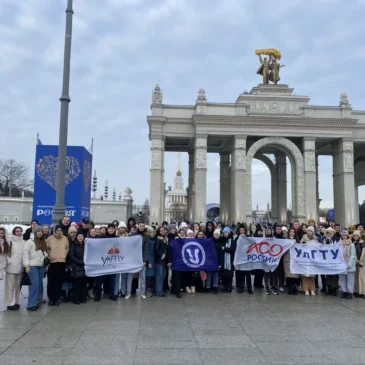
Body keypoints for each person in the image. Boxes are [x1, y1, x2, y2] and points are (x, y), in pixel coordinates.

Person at [23, 226, 49, 311]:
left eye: (41, 232)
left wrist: (46, 265)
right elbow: (25, 254)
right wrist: (26, 266)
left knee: (39, 283)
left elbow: (46, 254)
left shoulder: (44, 241)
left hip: (41, 265)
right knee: (35, 284)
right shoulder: (29, 242)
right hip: (32, 265)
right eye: (38, 231)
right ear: (35, 232)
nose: (40, 233)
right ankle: (31, 304)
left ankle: (36, 301)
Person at [47, 225, 69, 306]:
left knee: (59, 282)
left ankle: (57, 298)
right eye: (57, 230)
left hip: (62, 262)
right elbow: (47, 249)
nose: (59, 232)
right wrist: (51, 255)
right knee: (51, 281)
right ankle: (51, 298)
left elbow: (67, 248)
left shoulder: (65, 238)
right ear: (54, 230)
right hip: (52, 262)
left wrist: (64, 255)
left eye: (60, 230)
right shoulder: (50, 239)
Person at [126, 221, 149, 299]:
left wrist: (144, 260)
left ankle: (142, 292)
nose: (141, 227)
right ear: (138, 226)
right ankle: (128, 292)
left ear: (144, 227)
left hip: (141, 260)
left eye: (143, 226)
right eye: (140, 226)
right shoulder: (132, 235)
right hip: (132, 260)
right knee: (130, 277)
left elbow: (146, 250)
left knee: (142, 277)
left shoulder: (146, 236)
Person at [94, 224, 118, 302]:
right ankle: (98, 294)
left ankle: (111, 294)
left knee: (112, 279)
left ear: (115, 229)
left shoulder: (117, 238)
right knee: (100, 279)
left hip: (112, 262)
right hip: (103, 262)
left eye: (112, 228)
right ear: (107, 229)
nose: (111, 230)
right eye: (110, 228)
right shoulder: (102, 238)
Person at [4, 226, 24, 310]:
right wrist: (9, 261)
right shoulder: (10, 242)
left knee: (17, 286)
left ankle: (16, 301)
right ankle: (10, 303)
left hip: (20, 267)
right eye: (17, 231)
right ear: (14, 232)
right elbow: (5, 253)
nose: (19, 233)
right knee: (10, 286)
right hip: (11, 267)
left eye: (20, 231)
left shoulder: (24, 242)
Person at [69, 233, 88, 304]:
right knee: (77, 284)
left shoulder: (86, 244)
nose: (80, 237)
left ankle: (83, 298)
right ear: (76, 237)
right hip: (77, 266)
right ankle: (76, 299)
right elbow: (71, 255)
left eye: (82, 236)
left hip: (85, 266)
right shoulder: (74, 244)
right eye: (79, 236)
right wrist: (79, 261)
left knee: (84, 283)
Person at [235, 225, 253, 294]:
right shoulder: (237, 238)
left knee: (248, 275)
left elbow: (253, 243)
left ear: (245, 231)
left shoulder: (248, 237)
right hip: (240, 259)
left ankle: (249, 288)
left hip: (247, 258)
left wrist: (246, 238)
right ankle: (241, 287)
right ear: (239, 231)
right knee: (241, 274)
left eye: (243, 230)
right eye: (240, 230)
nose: (242, 231)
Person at [339, 230, 356, 299]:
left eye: (345, 235)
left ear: (347, 236)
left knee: (350, 279)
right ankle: (344, 291)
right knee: (342, 279)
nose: (344, 236)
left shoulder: (351, 244)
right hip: (342, 264)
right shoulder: (339, 244)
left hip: (349, 264)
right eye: (343, 235)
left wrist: (349, 264)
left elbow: (352, 255)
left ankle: (350, 292)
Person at [301, 226, 317, 296]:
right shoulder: (303, 238)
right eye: (308, 231)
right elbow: (300, 248)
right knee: (305, 276)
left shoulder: (316, 239)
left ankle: (312, 289)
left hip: (312, 259)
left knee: (311, 276)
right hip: (305, 259)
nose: (309, 232)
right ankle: (306, 289)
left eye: (311, 231)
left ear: (313, 232)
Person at [205, 229, 221, 294]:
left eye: (217, 234)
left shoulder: (220, 242)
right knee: (209, 274)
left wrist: (220, 263)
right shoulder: (209, 241)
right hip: (210, 260)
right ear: (213, 234)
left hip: (217, 260)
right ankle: (208, 287)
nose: (216, 236)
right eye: (215, 234)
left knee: (215, 274)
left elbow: (221, 253)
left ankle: (215, 286)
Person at [221, 227, 236, 292]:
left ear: (229, 233)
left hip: (230, 260)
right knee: (224, 275)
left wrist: (225, 249)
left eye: (226, 232)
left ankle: (229, 287)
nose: (225, 234)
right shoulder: (222, 240)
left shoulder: (232, 241)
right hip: (223, 260)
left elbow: (233, 250)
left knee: (229, 275)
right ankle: (225, 287)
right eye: (224, 232)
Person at [154, 226, 168, 297]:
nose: (162, 232)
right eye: (161, 231)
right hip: (159, 261)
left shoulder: (165, 238)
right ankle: (159, 292)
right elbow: (156, 249)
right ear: (159, 232)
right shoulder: (158, 239)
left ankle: (159, 290)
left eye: (163, 230)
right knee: (159, 276)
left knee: (163, 276)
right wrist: (162, 255)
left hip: (164, 261)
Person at [353, 230, 365, 298]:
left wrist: (361, 261)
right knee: (356, 277)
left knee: (362, 278)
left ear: (359, 236)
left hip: (362, 263)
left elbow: (364, 253)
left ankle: (363, 292)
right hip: (356, 262)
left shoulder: (362, 243)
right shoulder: (354, 243)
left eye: (356, 235)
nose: (355, 237)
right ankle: (357, 291)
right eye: (354, 235)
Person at [145, 226, 155, 297]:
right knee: (148, 276)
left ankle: (151, 290)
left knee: (152, 276)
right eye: (150, 232)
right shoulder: (147, 240)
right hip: (149, 260)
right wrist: (148, 262)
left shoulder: (154, 240)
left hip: (154, 259)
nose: (152, 233)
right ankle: (147, 291)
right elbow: (147, 252)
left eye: (153, 232)